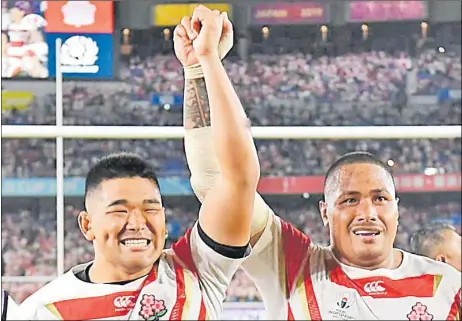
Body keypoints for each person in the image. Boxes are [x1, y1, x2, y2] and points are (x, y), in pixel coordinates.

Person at [179, 15, 461, 319]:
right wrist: (200, 66)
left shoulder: (448, 286)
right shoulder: (294, 266)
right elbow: (217, 181)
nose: (367, 213)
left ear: (397, 208)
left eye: (380, 199)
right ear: (325, 211)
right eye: (349, 200)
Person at [20, 7, 260, 320]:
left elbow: (237, 177)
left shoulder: (198, 271)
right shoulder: (44, 310)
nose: (137, 222)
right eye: (120, 210)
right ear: (87, 225)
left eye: (150, 209)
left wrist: (203, 66)